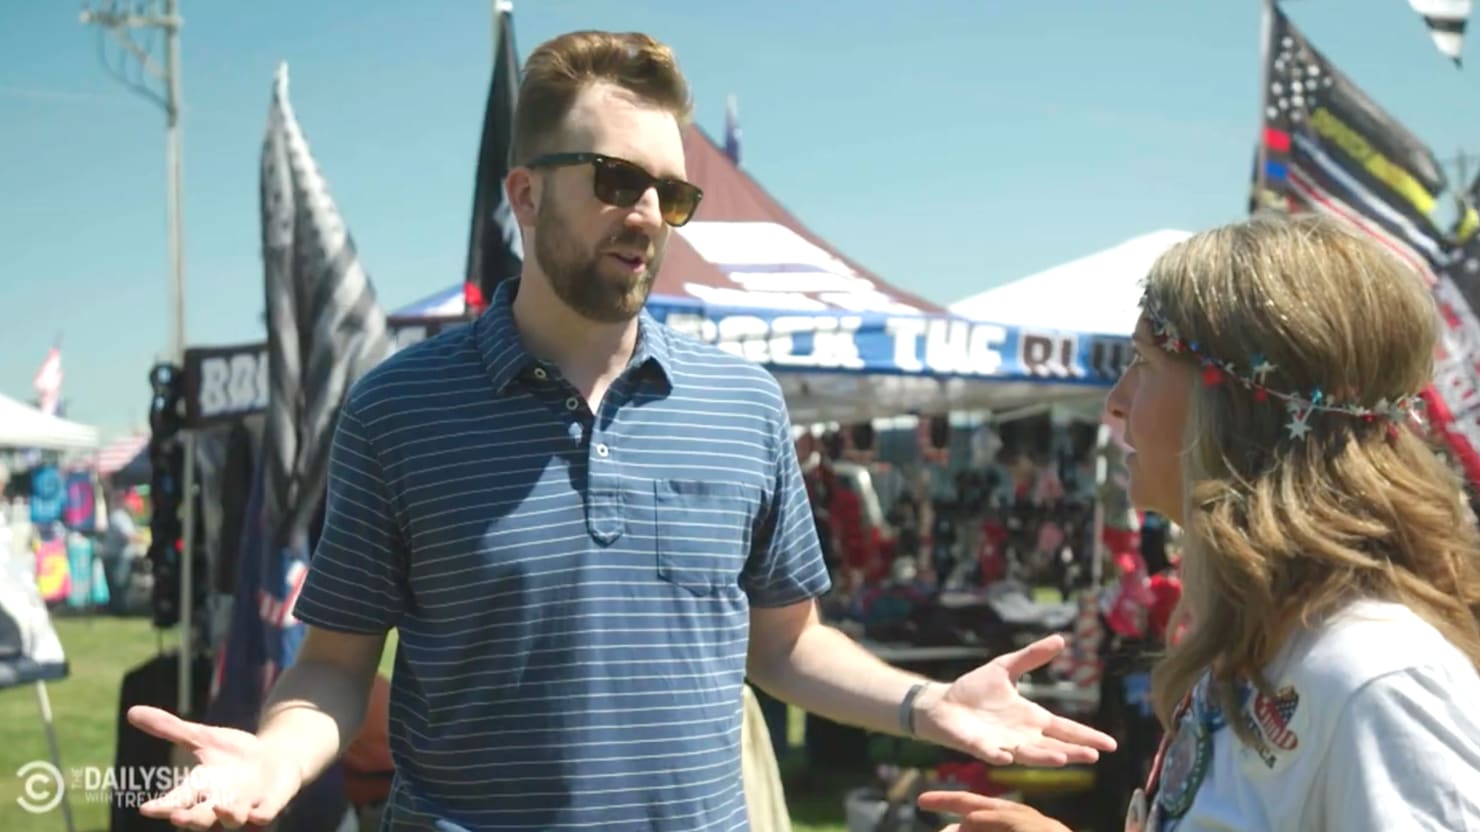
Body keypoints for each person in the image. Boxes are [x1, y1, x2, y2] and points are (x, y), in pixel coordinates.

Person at [125, 29, 1114, 831]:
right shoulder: (398, 409)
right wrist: (278, 754)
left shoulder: (744, 406)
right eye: (614, 179)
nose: (648, 215)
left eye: (671, 193)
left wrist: (922, 703)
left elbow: (784, 644)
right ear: (524, 194)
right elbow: (333, 665)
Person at [919, 214, 1480, 831]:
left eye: (1144, 362)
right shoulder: (1270, 634)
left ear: (1234, 410)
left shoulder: (1376, 677)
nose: (1117, 401)